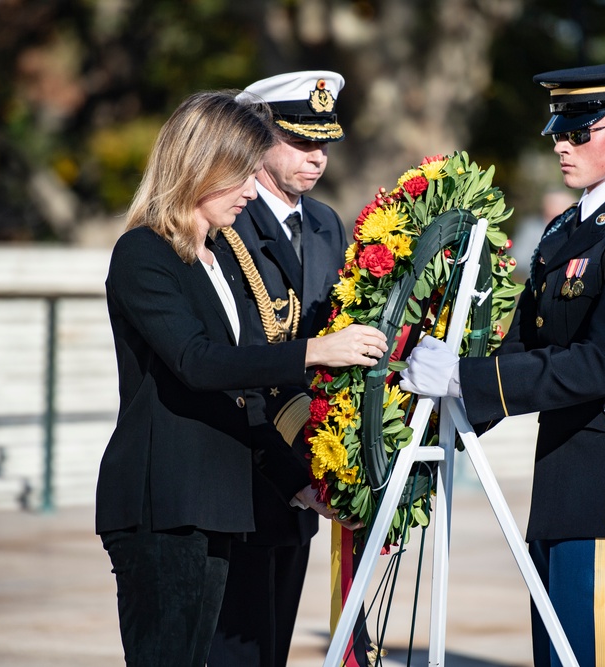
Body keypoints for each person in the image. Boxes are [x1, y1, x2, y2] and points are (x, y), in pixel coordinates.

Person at [399, 61, 605, 667]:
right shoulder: (564, 229)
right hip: (560, 480)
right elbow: (523, 347)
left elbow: (602, 364)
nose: (562, 142)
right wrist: (433, 422)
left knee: (595, 657)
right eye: (559, 129)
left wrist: (464, 379)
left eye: (579, 131)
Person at [95, 90, 387, 667]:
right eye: (240, 177)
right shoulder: (143, 253)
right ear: (200, 168)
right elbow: (198, 363)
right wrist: (316, 350)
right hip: (166, 503)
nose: (252, 192)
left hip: (218, 502)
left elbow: (241, 396)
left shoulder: (219, 259)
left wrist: (294, 480)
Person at [207, 70, 351, 667]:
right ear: (258, 135)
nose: (315, 158)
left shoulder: (324, 223)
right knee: (237, 645)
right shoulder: (227, 219)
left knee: (276, 642)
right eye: (299, 141)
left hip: (305, 455)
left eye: (323, 143)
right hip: (244, 459)